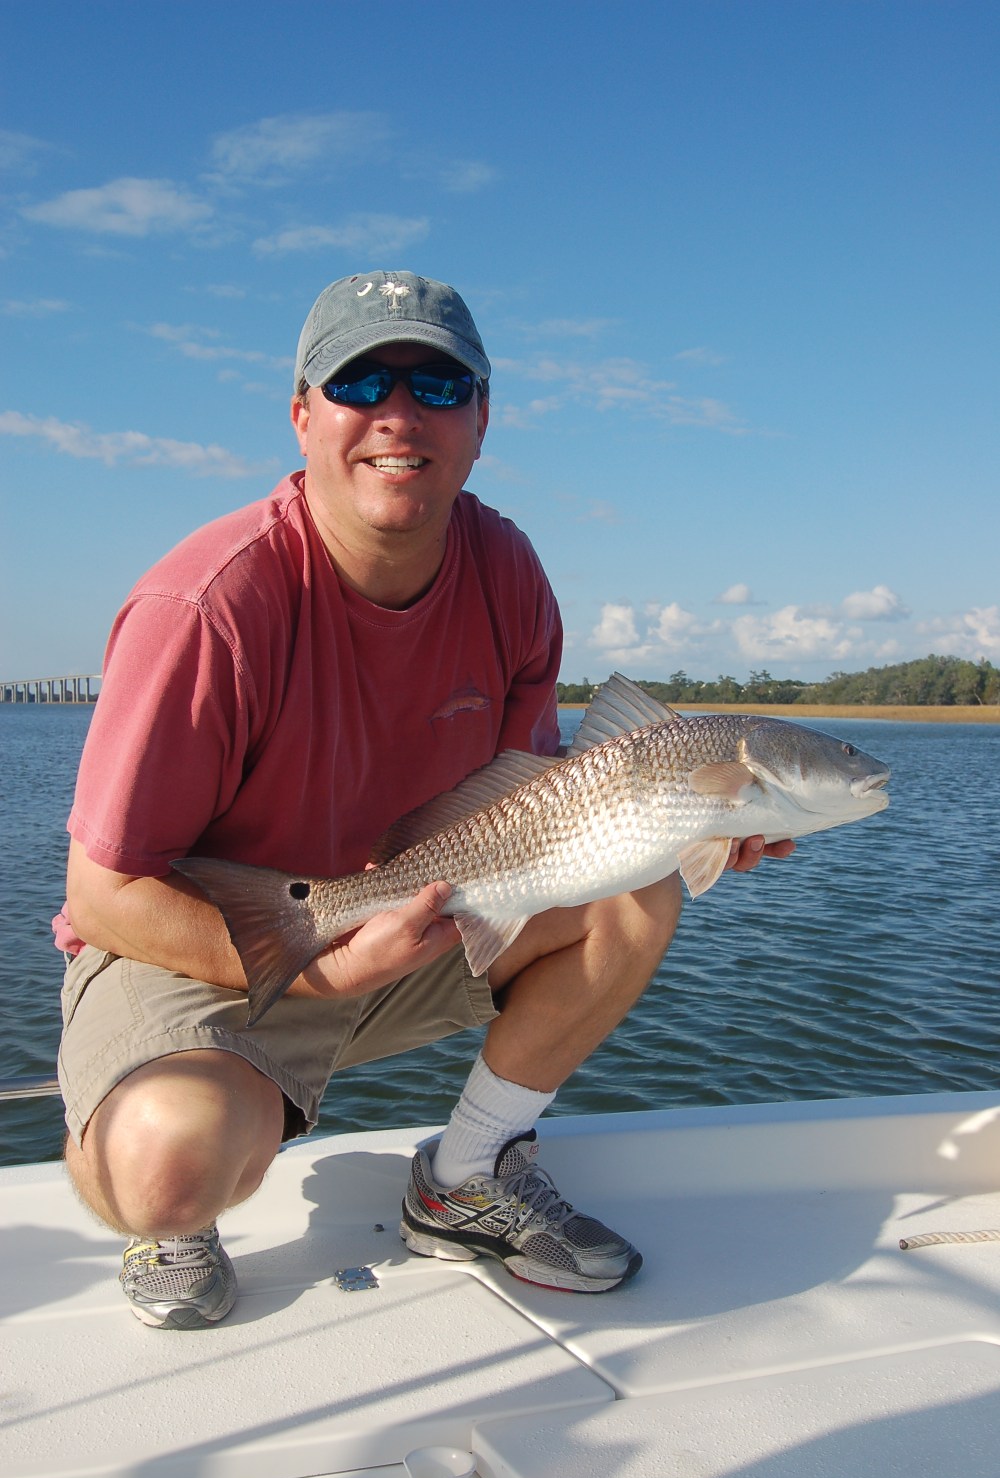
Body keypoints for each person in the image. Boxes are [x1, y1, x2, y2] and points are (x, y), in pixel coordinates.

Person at [55, 271, 791, 1329]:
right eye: (361, 380)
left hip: (411, 916)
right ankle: (175, 1206)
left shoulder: (508, 572)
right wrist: (328, 961)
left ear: (482, 421)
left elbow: (532, 809)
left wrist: (691, 828)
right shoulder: (206, 609)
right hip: (195, 944)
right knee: (172, 1163)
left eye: (440, 387)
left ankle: (465, 1174)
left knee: (643, 891)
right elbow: (107, 891)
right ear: (303, 414)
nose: (399, 414)